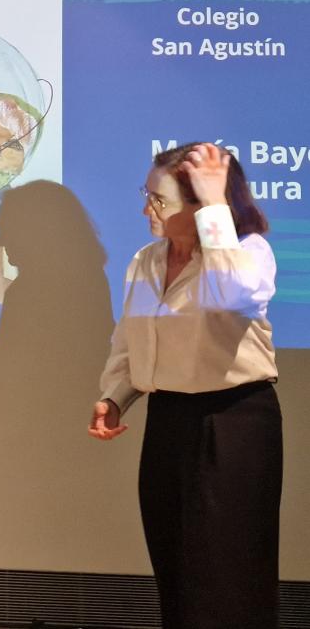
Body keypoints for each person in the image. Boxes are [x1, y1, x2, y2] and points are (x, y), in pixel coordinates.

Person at [88, 142, 282, 629]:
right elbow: (130, 339)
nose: (146, 210)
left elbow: (230, 296)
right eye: (147, 196)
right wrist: (116, 397)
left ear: (202, 207)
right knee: (175, 564)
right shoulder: (146, 260)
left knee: (227, 574)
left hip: (233, 424)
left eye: (160, 200)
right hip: (169, 420)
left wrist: (216, 208)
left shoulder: (249, 253)